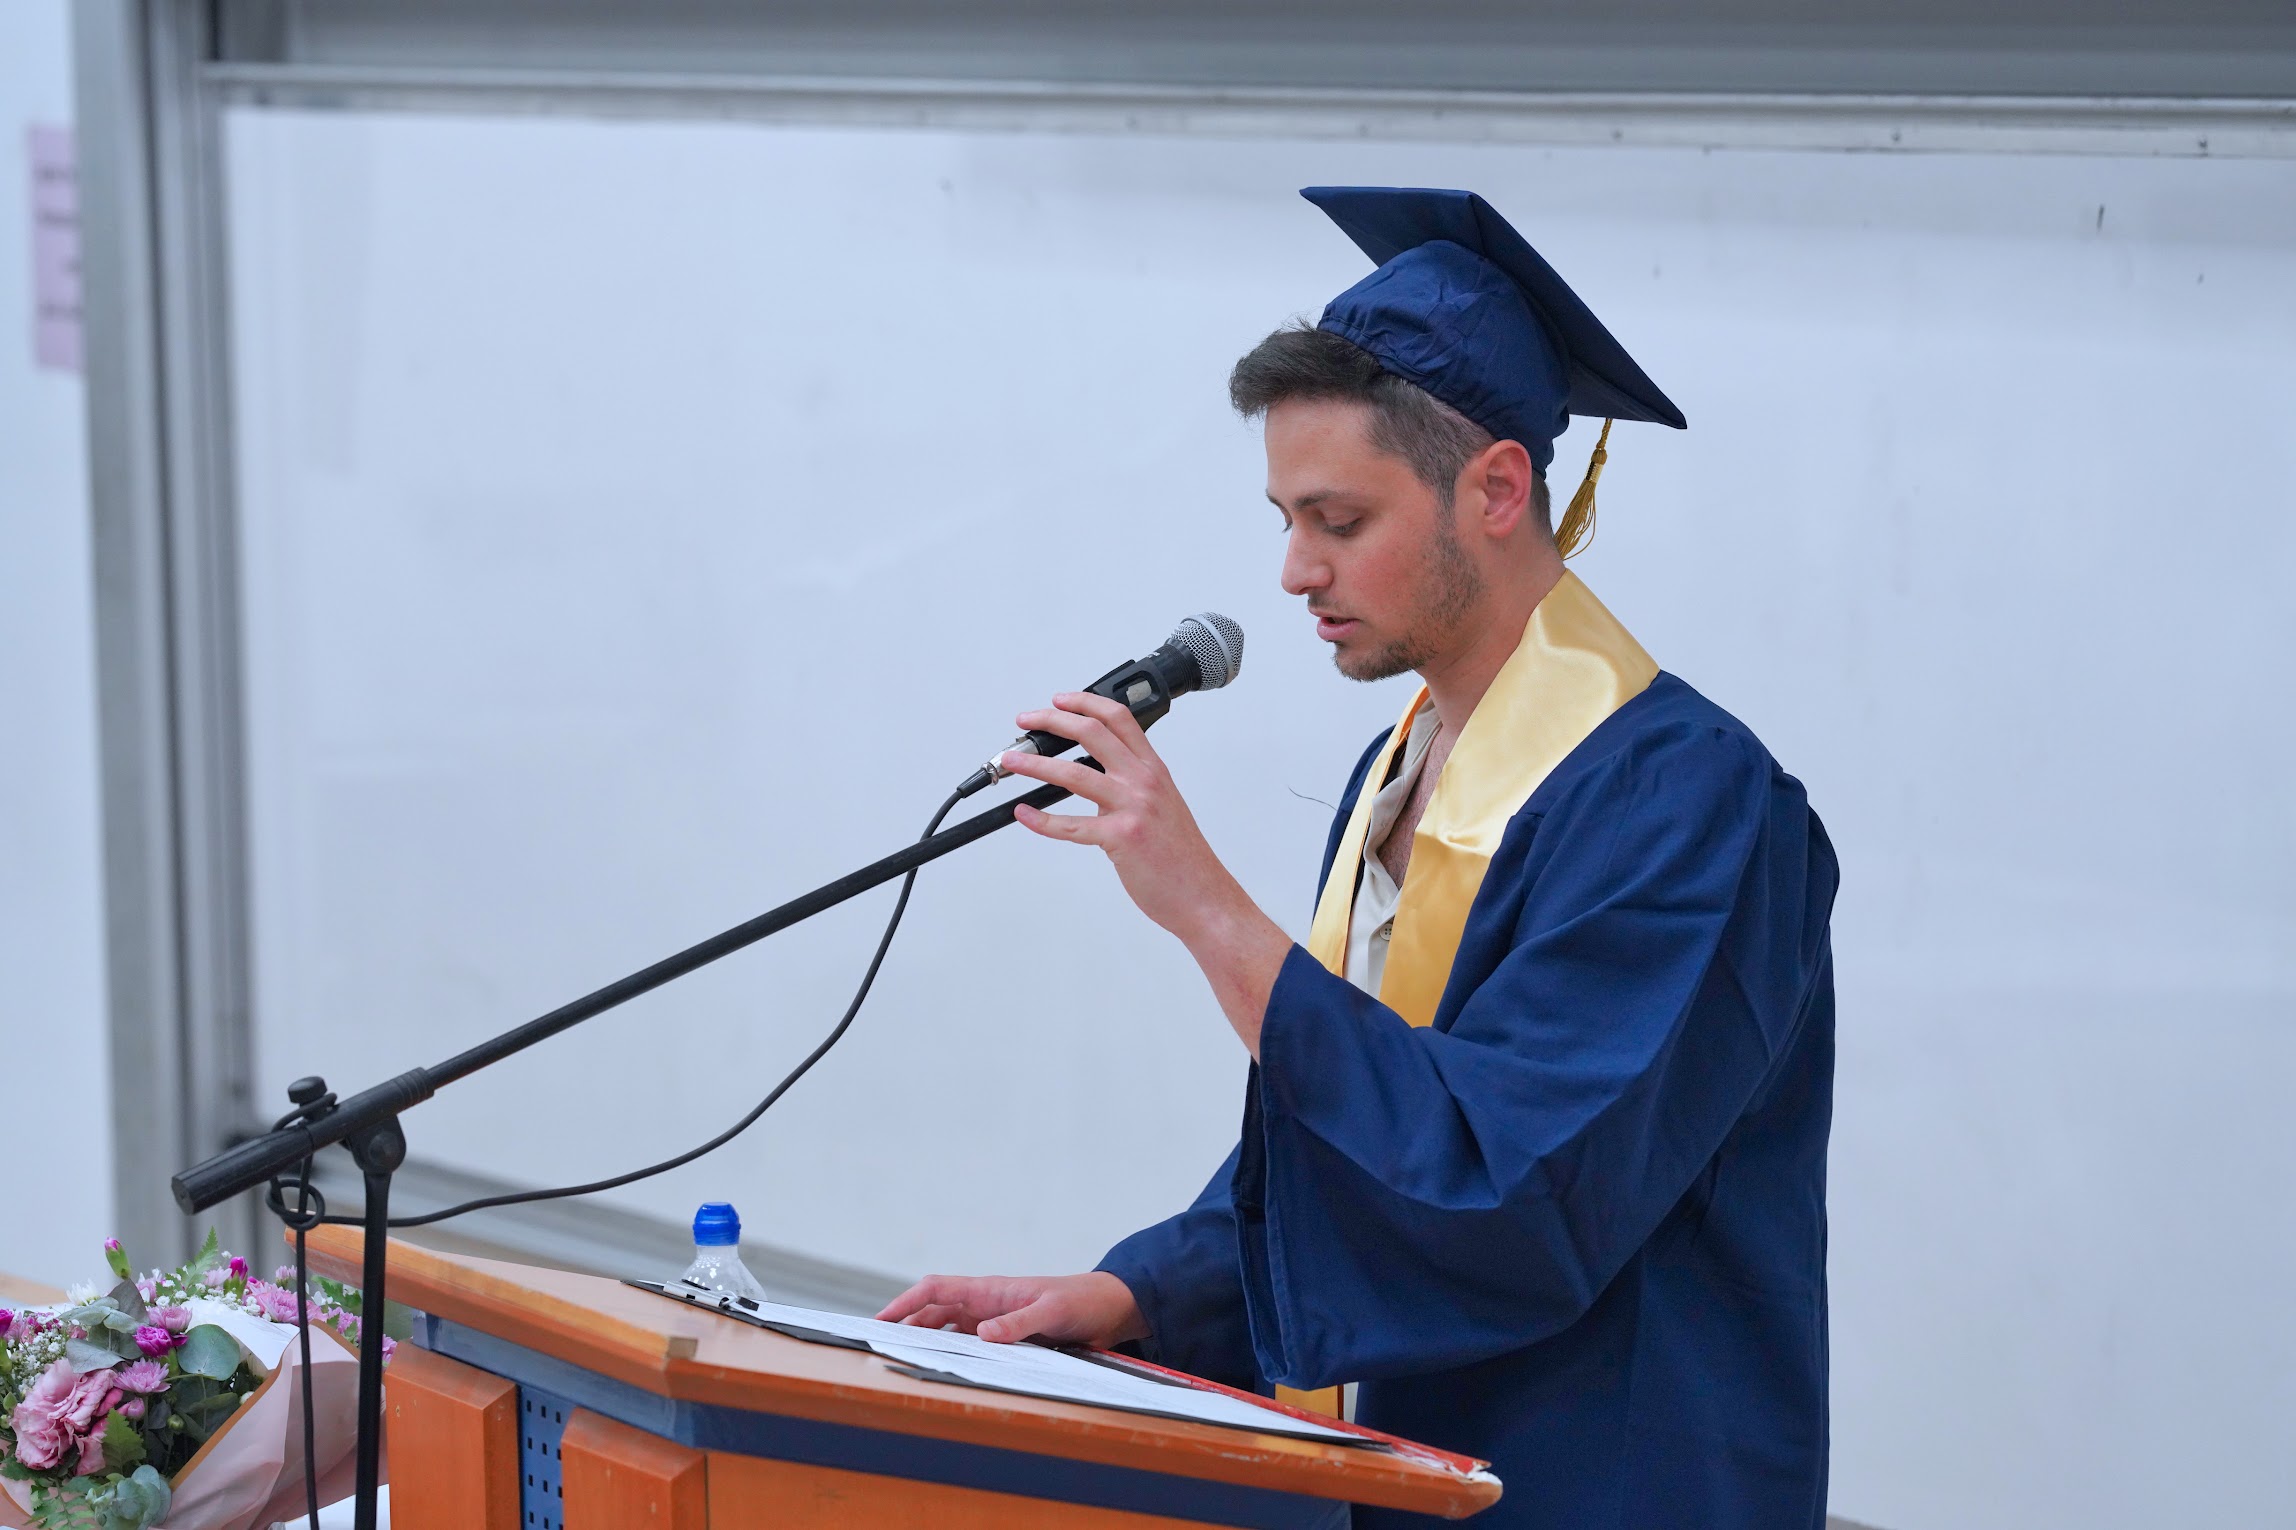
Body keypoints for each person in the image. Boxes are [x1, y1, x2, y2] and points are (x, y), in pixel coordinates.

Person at [879, 187, 1839, 1530]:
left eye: (1339, 520)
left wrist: (1210, 910)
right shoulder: (1397, 773)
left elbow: (1512, 1189)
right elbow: (1353, 1149)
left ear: (1496, 488)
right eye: (1284, 515)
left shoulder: (1692, 802)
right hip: (1396, 1488)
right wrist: (1141, 1290)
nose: (1289, 570)